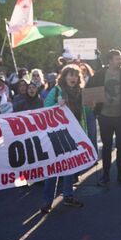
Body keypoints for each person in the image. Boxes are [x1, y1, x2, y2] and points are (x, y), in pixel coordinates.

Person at [40, 64, 86, 213]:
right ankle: (48, 202)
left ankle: (68, 196)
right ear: (64, 77)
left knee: (70, 165)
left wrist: (91, 105)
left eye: (75, 75)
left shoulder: (81, 92)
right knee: (54, 166)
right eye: (70, 75)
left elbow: (85, 112)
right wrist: (56, 104)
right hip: (57, 133)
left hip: (74, 131)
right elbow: (45, 108)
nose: (73, 78)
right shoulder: (57, 90)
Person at [86, 49, 121, 186]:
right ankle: (106, 175)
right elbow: (89, 88)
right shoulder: (101, 74)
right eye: (117, 59)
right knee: (107, 147)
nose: (120, 61)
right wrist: (92, 102)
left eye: (120, 58)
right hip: (104, 116)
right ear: (109, 61)